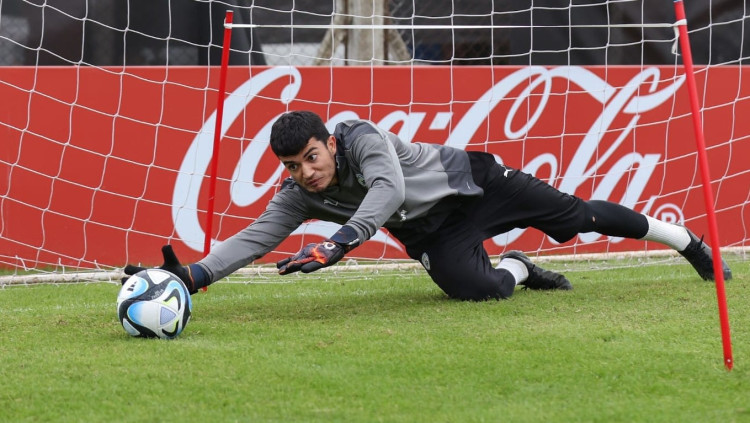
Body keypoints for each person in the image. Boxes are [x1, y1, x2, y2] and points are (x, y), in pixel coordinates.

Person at [123, 111, 732, 301]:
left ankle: (688, 243)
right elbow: (256, 237)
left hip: (476, 185)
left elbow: (386, 192)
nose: (306, 173)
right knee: (480, 291)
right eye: (292, 167)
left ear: (329, 143)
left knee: (581, 219)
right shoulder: (297, 194)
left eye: (311, 157)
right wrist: (193, 275)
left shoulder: (362, 138)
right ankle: (519, 267)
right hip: (434, 233)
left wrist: (339, 242)